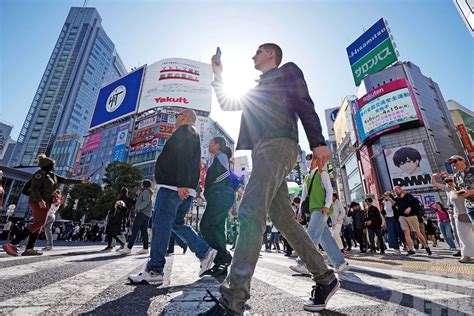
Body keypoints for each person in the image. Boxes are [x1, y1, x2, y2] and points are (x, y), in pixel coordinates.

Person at [203, 43, 337, 314]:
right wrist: (219, 75)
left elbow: (304, 103)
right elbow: (229, 103)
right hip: (263, 148)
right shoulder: (256, 88)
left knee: (250, 211)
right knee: (283, 219)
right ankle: (325, 278)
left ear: (271, 54)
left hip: (279, 143)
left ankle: (234, 297)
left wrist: (318, 142)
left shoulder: (287, 71)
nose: (253, 55)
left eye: (258, 51)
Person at [129, 109, 217, 285]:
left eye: (177, 116)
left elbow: (183, 157)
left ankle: (154, 270)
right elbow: (191, 162)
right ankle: (204, 252)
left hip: (173, 187)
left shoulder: (185, 131)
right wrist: (188, 186)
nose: (175, 119)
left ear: (183, 117)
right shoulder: (192, 134)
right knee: (176, 223)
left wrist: (182, 183)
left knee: (161, 224)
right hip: (182, 188)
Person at [2, 154, 87, 256]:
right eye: (52, 164)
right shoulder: (40, 174)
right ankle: (12, 244)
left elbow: (65, 180)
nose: (54, 166)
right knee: (39, 223)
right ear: (47, 165)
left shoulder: (52, 176)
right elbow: (34, 189)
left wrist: (82, 181)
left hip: (46, 202)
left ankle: (29, 249)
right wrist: (40, 200)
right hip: (38, 202)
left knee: (39, 224)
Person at [290, 157, 349, 275]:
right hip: (313, 210)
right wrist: (300, 211)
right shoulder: (307, 177)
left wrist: (327, 205)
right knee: (325, 239)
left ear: (317, 160)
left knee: (310, 233)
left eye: (311, 158)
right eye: (306, 159)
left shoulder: (323, 173)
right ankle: (340, 263)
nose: (308, 161)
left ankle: (303, 263)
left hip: (321, 209)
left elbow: (329, 190)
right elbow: (304, 196)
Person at [200, 136, 236, 275]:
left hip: (220, 195)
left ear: (218, 145)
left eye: (211, 143)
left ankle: (223, 256)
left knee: (206, 225)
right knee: (217, 228)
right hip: (221, 196)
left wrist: (213, 186)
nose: (209, 146)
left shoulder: (221, 156)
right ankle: (221, 264)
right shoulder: (219, 158)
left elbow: (225, 174)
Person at [432, 173, 473, 263]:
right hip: (458, 214)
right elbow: (434, 183)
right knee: (462, 235)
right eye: (447, 181)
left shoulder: (464, 187)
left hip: (470, 211)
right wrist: (434, 176)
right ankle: (466, 254)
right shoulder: (449, 190)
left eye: (450, 180)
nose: (449, 182)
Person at [393, 186, 431, 256]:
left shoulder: (409, 196)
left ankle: (426, 246)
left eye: (397, 190)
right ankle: (411, 249)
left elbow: (417, 203)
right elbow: (396, 209)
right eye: (394, 191)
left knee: (417, 232)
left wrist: (410, 207)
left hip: (412, 216)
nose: (396, 191)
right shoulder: (396, 199)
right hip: (402, 217)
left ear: (400, 189)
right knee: (406, 233)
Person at [119, 180, 153, 255]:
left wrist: (138, 208)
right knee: (144, 232)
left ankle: (128, 248)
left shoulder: (146, 191)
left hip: (142, 213)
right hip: (146, 214)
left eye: (142, 185)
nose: (141, 186)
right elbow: (144, 201)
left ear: (144, 185)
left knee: (135, 230)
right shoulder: (147, 192)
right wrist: (138, 196)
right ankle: (145, 248)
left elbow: (146, 201)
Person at [448, 155, 474, 226]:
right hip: (469, 206)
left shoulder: (472, 170)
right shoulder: (455, 177)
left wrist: (471, 192)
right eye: (451, 163)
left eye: (455, 161)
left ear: (463, 160)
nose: (453, 164)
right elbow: (458, 190)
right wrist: (457, 191)